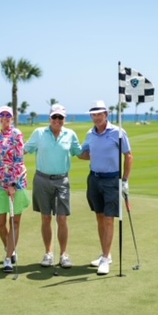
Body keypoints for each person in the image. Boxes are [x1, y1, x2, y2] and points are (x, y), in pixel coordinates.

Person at [24, 104, 83, 269]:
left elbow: (80, 153)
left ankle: (64, 254)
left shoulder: (70, 134)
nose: (57, 120)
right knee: (46, 218)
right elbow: (23, 150)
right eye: (54, 117)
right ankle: (48, 253)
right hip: (42, 179)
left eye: (60, 117)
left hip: (62, 181)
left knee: (62, 218)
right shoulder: (39, 133)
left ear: (64, 119)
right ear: (49, 118)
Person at [79, 100, 133, 276]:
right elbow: (85, 154)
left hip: (112, 181)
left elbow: (129, 156)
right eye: (93, 115)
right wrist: (71, 150)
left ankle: (106, 258)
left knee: (109, 219)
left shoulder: (118, 132)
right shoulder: (90, 134)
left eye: (99, 114)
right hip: (94, 179)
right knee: (100, 217)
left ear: (106, 115)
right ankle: (105, 255)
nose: (96, 118)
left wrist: (125, 180)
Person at [0, 105, 30, 273]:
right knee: (0, 223)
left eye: (8, 115)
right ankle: (9, 247)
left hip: (17, 183)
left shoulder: (17, 134)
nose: (5, 118)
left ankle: (8, 258)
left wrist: (13, 183)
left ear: (12, 118)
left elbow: (18, 159)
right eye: (2, 115)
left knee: (14, 221)